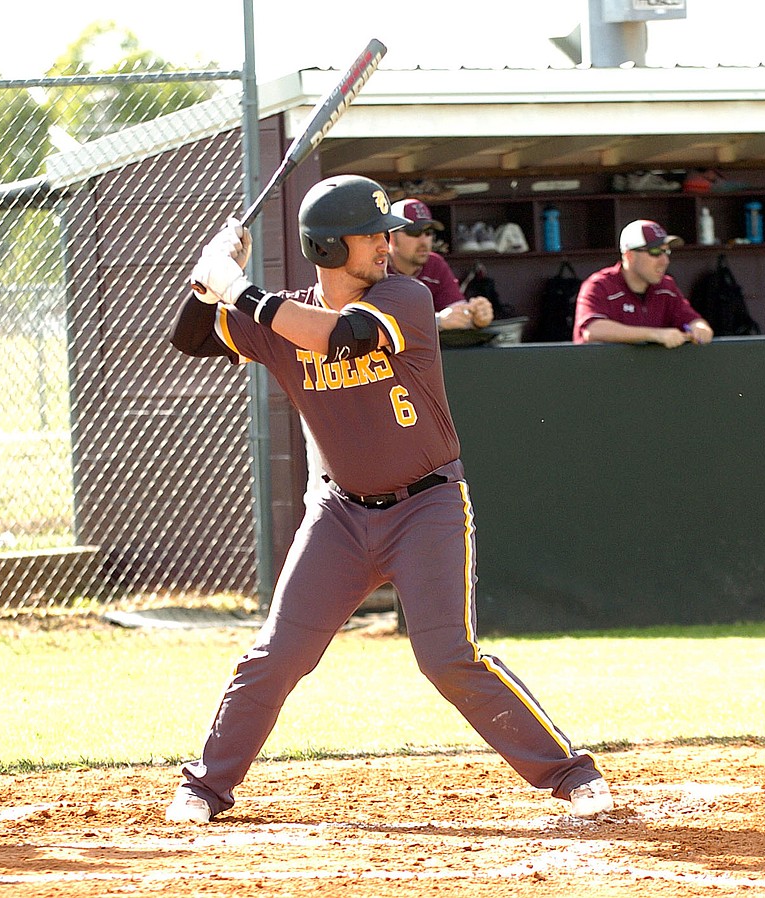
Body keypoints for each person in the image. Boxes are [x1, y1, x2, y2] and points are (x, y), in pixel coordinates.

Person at [166, 174, 613, 825]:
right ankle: (205, 787)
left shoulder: (404, 295)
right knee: (276, 655)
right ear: (327, 246)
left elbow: (339, 336)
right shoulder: (279, 313)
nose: (388, 243)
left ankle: (571, 772)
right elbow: (193, 338)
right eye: (372, 233)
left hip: (427, 507)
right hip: (339, 515)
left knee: (447, 658)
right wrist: (206, 283)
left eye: (387, 232)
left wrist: (239, 289)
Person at [573, 219, 714, 347]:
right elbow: (592, 330)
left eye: (666, 251)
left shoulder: (666, 287)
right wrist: (655, 335)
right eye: (655, 252)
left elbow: (692, 320)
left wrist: (700, 328)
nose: (665, 261)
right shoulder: (599, 286)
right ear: (629, 256)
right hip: (602, 373)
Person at [387, 198, 494, 331]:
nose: (424, 241)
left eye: (428, 233)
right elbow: (379, 323)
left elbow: (456, 311)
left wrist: (475, 317)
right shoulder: (376, 266)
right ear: (391, 238)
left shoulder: (435, 263)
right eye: (414, 232)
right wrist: (437, 321)